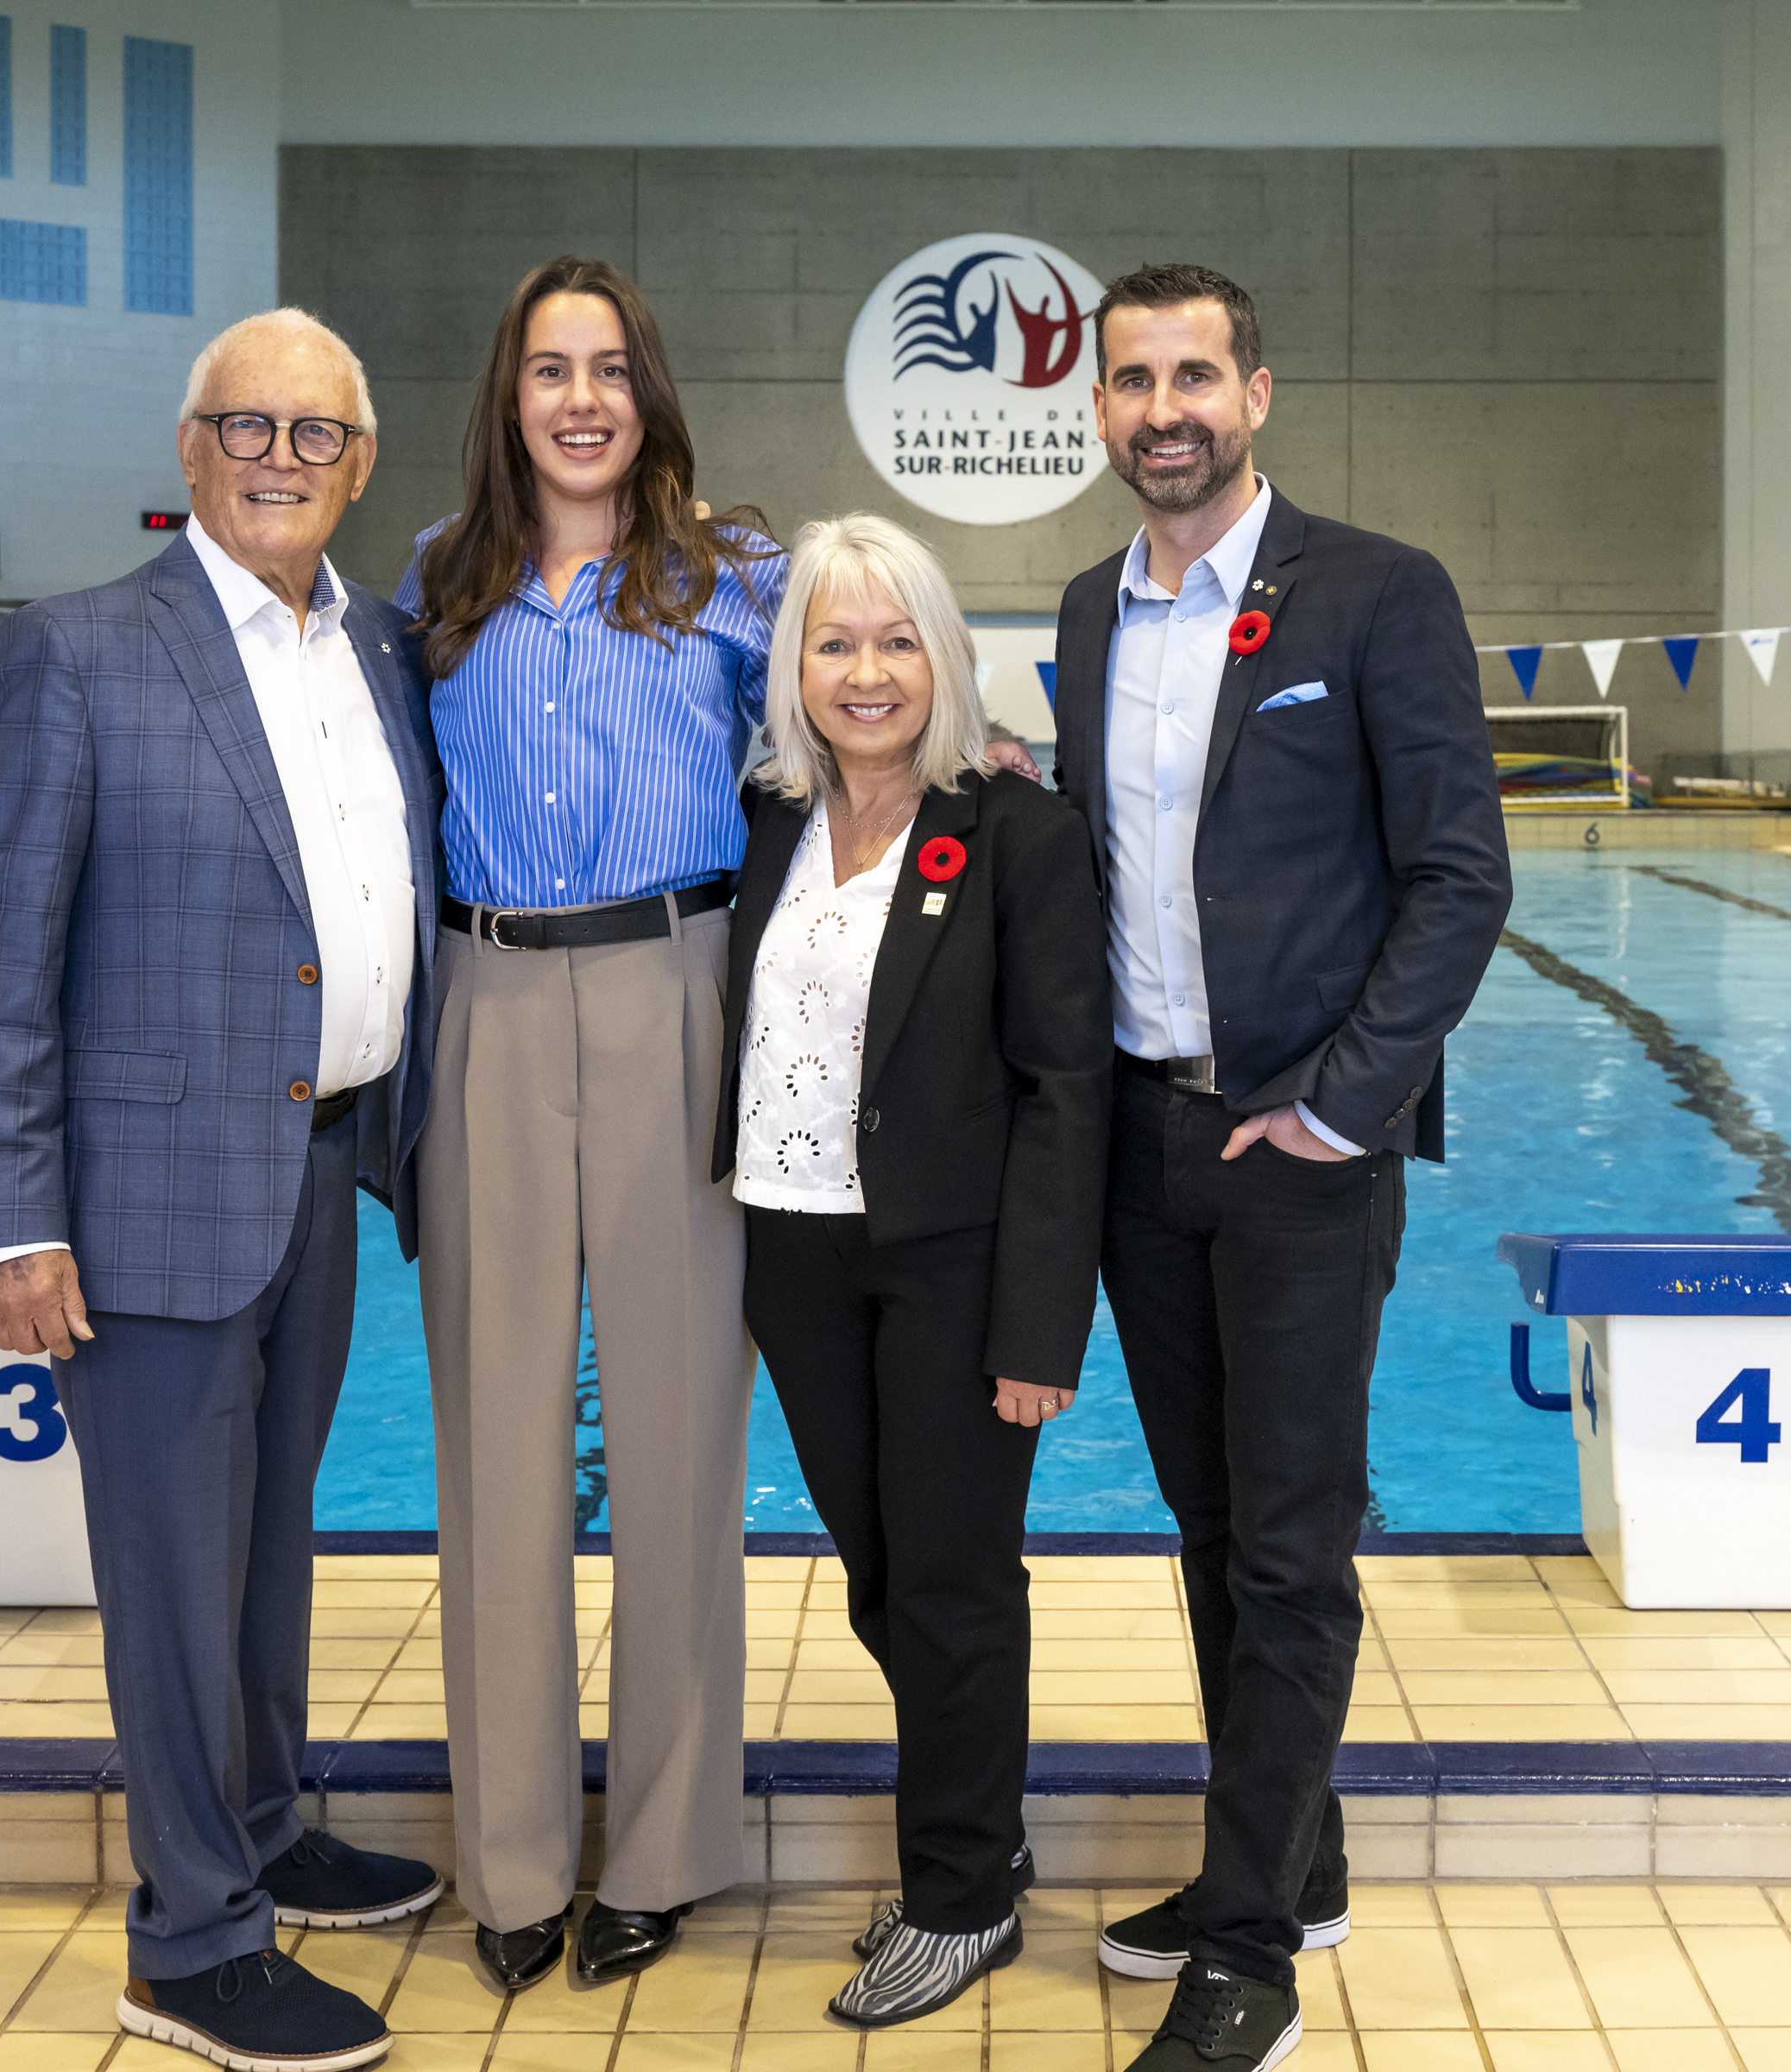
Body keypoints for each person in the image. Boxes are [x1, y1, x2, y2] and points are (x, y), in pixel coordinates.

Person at [0, 307, 448, 2072]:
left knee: (269, 1537)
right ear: (189, 445)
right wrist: (12, 1217)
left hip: (323, 1164)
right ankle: (191, 1938)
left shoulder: (378, 648)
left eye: (318, 436)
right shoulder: (82, 652)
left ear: (359, 464)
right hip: (151, 1186)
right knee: (170, 1566)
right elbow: (2, 953)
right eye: (250, 427)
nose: (281, 461)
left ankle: (262, 1820)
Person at [1050, 263, 1512, 2072]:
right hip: (1145, 1136)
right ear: (1098, 410)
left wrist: (1341, 1104)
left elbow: (1461, 876)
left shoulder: (1379, 593)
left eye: (1195, 376)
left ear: (1259, 394)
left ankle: (1250, 1946)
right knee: (1215, 1526)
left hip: (1304, 1150)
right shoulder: (1092, 611)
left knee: (1295, 1546)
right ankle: (1291, 1859)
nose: (1163, 408)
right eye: (1131, 381)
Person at [394, 256, 780, 1995]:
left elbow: (877, 723)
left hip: (673, 988)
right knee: (496, 1447)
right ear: (510, 394)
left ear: (649, 393)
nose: (579, 398)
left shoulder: (736, 577)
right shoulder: (436, 580)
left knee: (684, 1436)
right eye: (549, 368)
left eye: (610, 367)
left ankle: (673, 1845)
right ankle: (515, 1857)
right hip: (482, 1001)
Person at [713, 515, 1108, 2028]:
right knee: (883, 1574)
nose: (865, 673)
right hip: (791, 1245)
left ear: (942, 656)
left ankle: (960, 1896)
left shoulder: (1013, 830)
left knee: (948, 1583)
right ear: (795, 667)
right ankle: (980, 1834)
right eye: (833, 642)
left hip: (948, 1264)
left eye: (894, 641)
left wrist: (1037, 1327)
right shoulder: (766, 819)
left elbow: (1066, 1091)